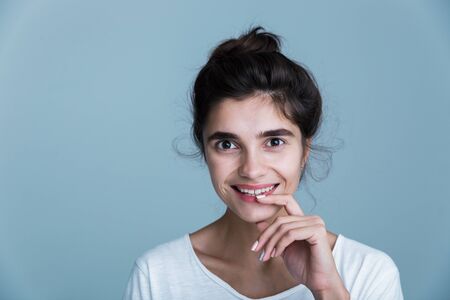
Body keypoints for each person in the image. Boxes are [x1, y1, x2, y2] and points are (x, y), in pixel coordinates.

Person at [122, 26, 403, 300]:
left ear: (305, 150)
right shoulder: (157, 275)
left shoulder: (369, 272)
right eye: (227, 144)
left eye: (274, 142)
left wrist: (328, 291)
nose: (252, 169)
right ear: (205, 150)